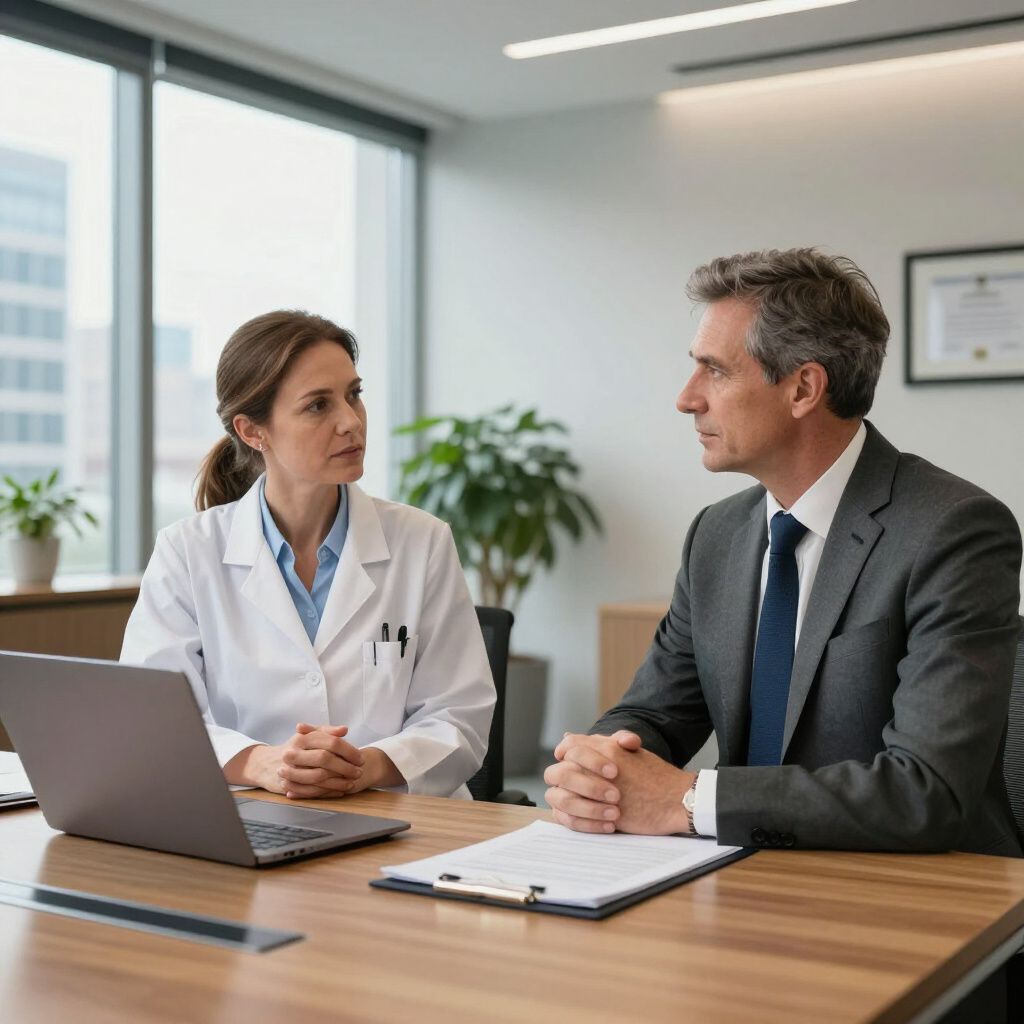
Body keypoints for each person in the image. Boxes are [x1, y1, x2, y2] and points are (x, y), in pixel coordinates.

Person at [545, 248, 1023, 855]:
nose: (687, 398)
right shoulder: (714, 536)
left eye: (714, 371)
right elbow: (655, 715)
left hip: (914, 894)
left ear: (803, 388)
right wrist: (601, 764)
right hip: (743, 876)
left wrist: (688, 799)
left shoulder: (953, 531)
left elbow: (924, 792)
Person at [121, 310, 494, 800]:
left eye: (353, 395)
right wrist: (262, 763)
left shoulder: (421, 541)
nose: (350, 421)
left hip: (402, 821)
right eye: (318, 406)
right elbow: (150, 718)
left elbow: (459, 717)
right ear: (254, 432)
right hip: (249, 818)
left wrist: (366, 766)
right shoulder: (187, 551)